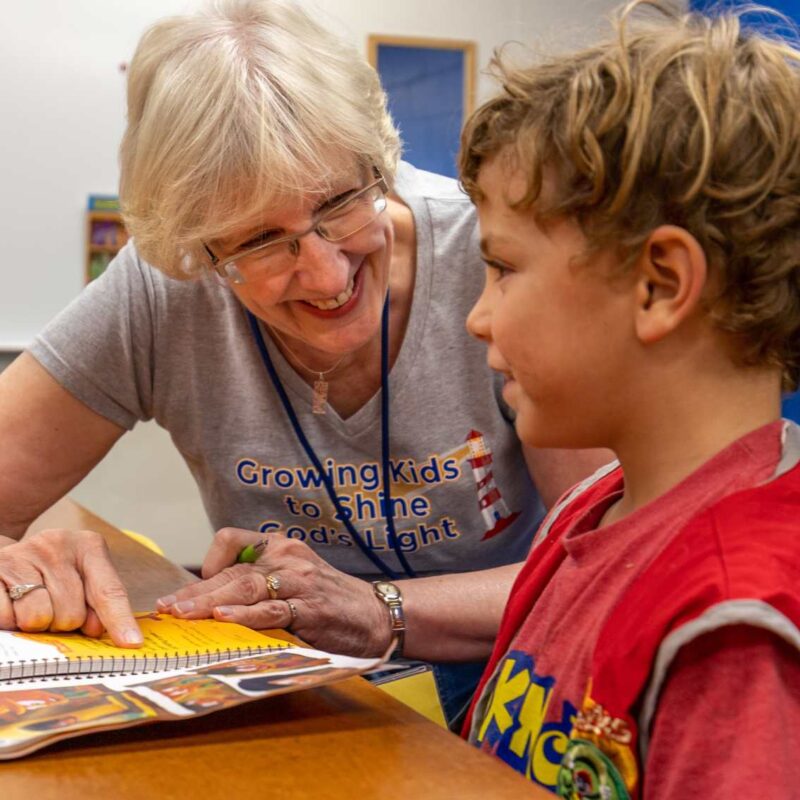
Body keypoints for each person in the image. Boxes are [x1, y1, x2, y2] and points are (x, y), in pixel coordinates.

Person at [0, 0, 607, 725]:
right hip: (303, 710)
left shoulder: (491, 259)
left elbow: (606, 564)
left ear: (377, 161)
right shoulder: (164, 289)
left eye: (341, 203)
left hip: (516, 689)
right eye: (259, 241)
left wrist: (379, 610)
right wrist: (21, 564)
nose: (325, 274)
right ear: (198, 247)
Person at [452, 1, 799, 795]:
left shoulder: (735, 626)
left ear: (660, 285)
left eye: (503, 269)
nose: (478, 317)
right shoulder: (589, 508)